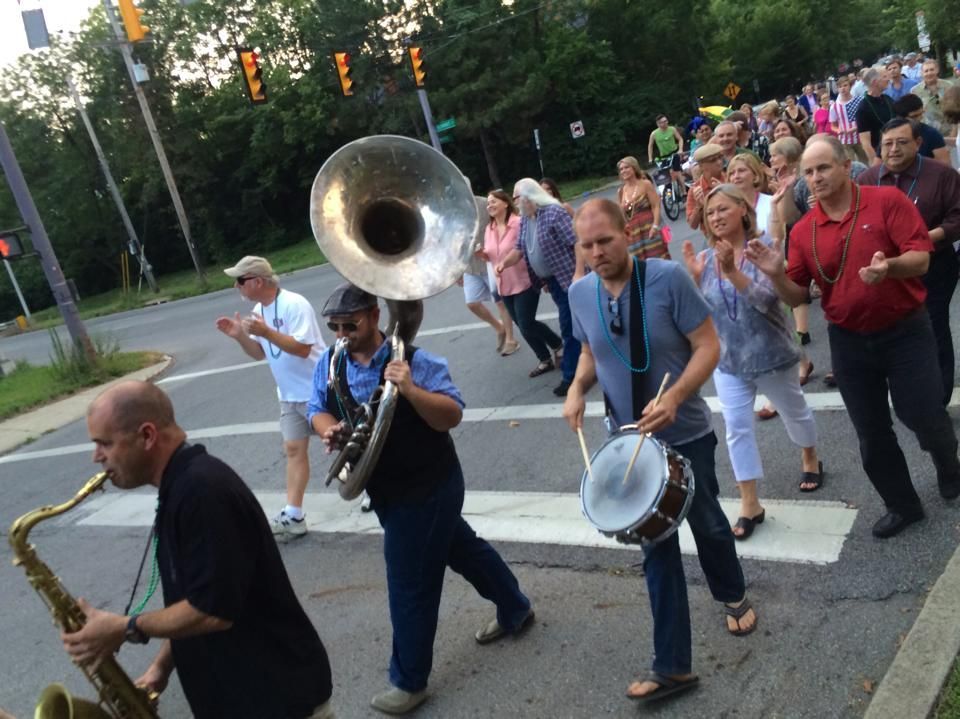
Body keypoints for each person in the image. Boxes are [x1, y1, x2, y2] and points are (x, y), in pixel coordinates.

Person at [307, 284, 534, 715]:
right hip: (386, 490)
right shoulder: (331, 362)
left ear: (375, 316)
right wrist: (328, 429)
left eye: (350, 325)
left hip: (430, 484)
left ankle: (409, 681)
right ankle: (515, 607)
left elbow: (451, 415)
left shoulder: (417, 361)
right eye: (334, 327)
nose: (342, 335)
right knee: (459, 547)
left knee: (408, 581)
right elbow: (316, 407)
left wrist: (410, 390)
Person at [564, 198, 756, 704]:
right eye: (587, 245)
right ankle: (673, 667)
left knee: (709, 524)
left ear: (627, 234)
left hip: (686, 431)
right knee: (656, 547)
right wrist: (577, 388)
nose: (597, 252)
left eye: (606, 240)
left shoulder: (667, 279)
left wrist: (675, 396)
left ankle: (732, 593)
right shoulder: (579, 293)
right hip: (627, 441)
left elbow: (708, 345)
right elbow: (589, 350)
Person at [63, 381, 334, 719]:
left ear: (147, 436)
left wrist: (126, 626)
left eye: (104, 443)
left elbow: (211, 611)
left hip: (277, 700)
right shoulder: (180, 486)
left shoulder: (202, 492)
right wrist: (160, 668)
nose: (96, 457)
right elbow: (195, 597)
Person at [745, 136, 960, 539]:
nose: (815, 178)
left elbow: (920, 259)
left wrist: (889, 267)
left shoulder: (886, 201)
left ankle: (949, 466)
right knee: (871, 431)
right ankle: (902, 504)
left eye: (823, 167)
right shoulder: (805, 230)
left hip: (905, 330)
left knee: (923, 414)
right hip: (849, 340)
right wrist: (775, 274)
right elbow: (796, 295)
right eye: (809, 172)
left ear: (846, 166)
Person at [682, 185, 824, 539]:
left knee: (794, 412)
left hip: (771, 355)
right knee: (736, 428)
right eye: (710, 212)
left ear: (743, 210)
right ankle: (750, 502)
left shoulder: (764, 248)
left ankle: (810, 456)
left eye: (722, 209)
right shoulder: (706, 259)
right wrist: (696, 283)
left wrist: (733, 271)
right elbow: (707, 312)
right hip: (729, 360)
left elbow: (766, 300)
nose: (715, 217)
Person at [215, 256, 325, 541]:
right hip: (288, 395)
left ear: (257, 281)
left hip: (316, 390)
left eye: (240, 280)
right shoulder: (258, 311)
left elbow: (302, 349)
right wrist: (240, 336)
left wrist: (266, 332)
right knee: (293, 450)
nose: (236, 286)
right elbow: (259, 353)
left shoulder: (294, 304)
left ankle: (374, 488)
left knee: (340, 442)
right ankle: (294, 515)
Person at [858, 118, 960, 406]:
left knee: (932, 326)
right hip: (886, 270)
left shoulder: (941, 174)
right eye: (887, 143)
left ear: (918, 143)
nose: (893, 149)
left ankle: (938, 397)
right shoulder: (867, 180)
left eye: (902, 142)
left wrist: (926, 238)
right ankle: (907, 388)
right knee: (895, 330)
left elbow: (957, 217)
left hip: (933, 266)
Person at [496, 177, 581, 397]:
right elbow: (519, 250)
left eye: (515, 197)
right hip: (552, 281)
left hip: (568, 278)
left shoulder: (554, 212)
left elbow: (577, 242)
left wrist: (579, 273)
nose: (515, 202)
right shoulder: (526, 219)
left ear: (527, 196)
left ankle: (571, 377)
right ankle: (592, 359)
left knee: (568, 326)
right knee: (579, 322)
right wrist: (503, 263)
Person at [483, 189, 556, 366]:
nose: (490, 205)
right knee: (522, 325)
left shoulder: (518, 223)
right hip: (504, 284)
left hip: (525, 280)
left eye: (493, 201)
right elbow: (491, 255)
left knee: (526, 323)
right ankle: (544, 359)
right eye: (488, 203)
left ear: (505, 203)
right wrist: (480, 254)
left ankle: (557, 344)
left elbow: (526, 248)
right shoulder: (489, 229)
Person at [461, 196, 519, 356]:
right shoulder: (451, 209)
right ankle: (499, 328)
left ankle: (511, 340)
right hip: (469, 266)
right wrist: (455, 271)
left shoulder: (484, 204)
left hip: (490, 261)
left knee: (501, 302)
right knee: (472, 303)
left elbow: (502, 223)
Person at [615, 156, 668, 260]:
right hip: (633, 232)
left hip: (649, 227)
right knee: (639, 262)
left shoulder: (645, 184)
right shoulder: (621, 191)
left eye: (626, 167)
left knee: (657, 257)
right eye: (621, 169)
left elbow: (656, 206)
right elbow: (622, 215)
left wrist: (655, 226)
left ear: (634, 168)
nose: (623, 171)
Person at [892, 94, 951, 164]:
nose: (920, 118)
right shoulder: (889, 134)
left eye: (921, 114)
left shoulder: (932, 134)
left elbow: (945, 165)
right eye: (914, 116)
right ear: (900, 117)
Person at [856, 68, 898, 165]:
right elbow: (866, 143)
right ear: (875, 82)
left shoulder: (888, 99)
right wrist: (876, 164)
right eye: (884, 76)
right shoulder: (863, 108)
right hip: (882, 156)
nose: (888, 79)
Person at [686, 143, 725, 232]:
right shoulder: (695, 190)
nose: (719, 162)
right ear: (701, 166)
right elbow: (693, 225)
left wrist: (725, 192)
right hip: (713, 238)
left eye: (720, 157)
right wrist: (699, 206)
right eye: (713, 160)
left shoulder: (730, 179)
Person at [911, 59, 955, 133]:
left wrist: (954, 131)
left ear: (937, 70)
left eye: (932, 70)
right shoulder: (915, 91)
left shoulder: (949, 86)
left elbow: (955, 109)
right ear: (922, 73)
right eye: (926, 71)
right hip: (928, 131)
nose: (929, 73)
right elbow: (915, 114)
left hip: (949, 129)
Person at [647, 114, 686, 198]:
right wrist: (650, 158)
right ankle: (668, 193)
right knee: (666, 175)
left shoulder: (672, 129)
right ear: (658, 124)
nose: (665, 123)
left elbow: (680, 139)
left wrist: (680, 149)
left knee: (677, 172)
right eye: (662, 122)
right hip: (664, 157)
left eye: (666, 121)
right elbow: (650, 146)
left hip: (674, 153)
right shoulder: (654, 134)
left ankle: (684, 192)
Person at [830, 75, 867, 162]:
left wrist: (856, 128)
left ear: (850, 86)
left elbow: (866, 118)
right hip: (845, 140)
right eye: (840, 87)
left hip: (860, 137)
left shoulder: (860, 100)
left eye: (845, 85)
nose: (843, 88)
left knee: (865, 161)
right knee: (851, 164)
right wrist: (838, 130)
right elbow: (833, 125)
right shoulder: (834, 106)